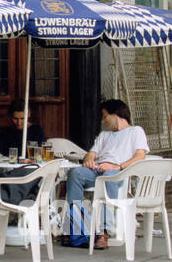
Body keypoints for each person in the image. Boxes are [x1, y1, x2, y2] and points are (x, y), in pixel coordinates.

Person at [62, 99, 149, 250]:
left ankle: (104, 232)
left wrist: (117, 166)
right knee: (75, 173)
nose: (103, 121)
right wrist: (89, 160)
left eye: (104, 116)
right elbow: (91, 154)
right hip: (98, 170)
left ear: (116, 114)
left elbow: (140, 156)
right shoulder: (105, 135)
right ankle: (80, 230)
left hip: (119, 171)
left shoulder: (136, 131)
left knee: (109, 174)